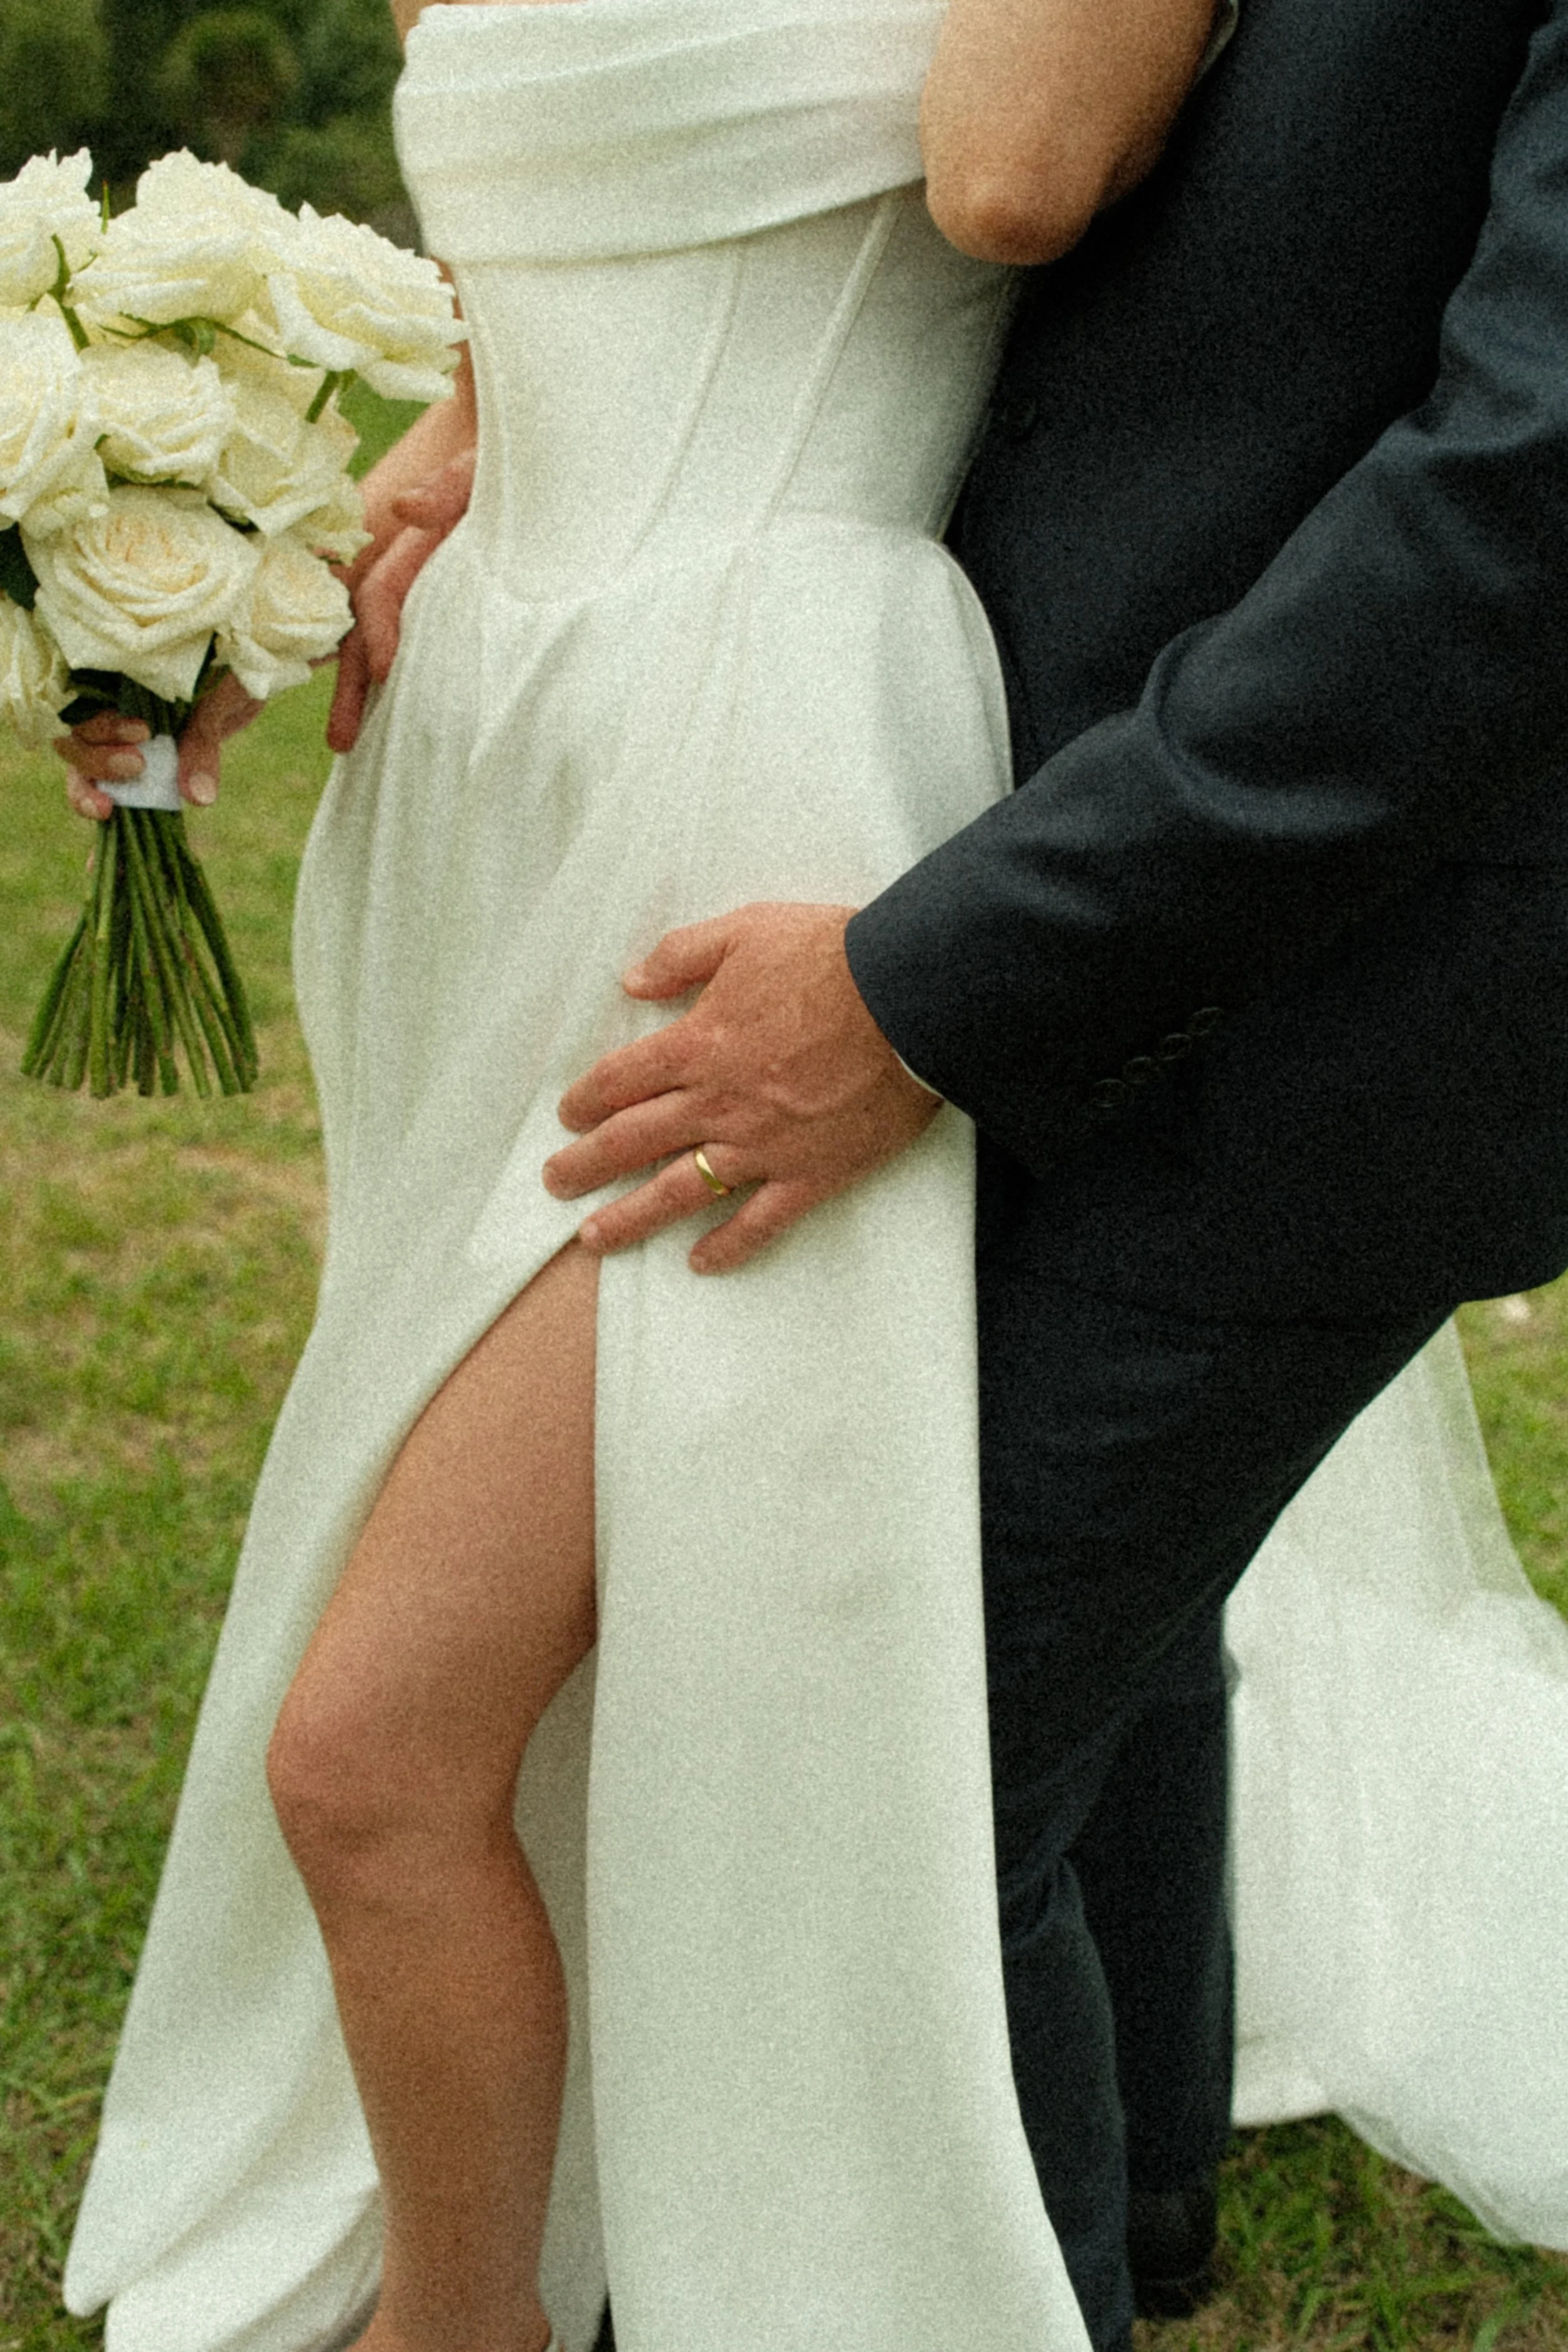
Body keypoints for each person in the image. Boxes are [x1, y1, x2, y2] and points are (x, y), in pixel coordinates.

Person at [52, 3, 1239, 2351]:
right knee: (555, 1634)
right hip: (495, 791)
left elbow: (1009, 181)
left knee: (373, 1751)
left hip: (772, 776)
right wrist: (308, 530)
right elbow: (532, 311)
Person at [500, 0, 1568, 2341]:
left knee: (885, 1756)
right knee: (1093, 1627)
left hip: (1328, 989)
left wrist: (930, 982)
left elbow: (1516, 522)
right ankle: (1140, 2205)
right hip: (1022, 834)